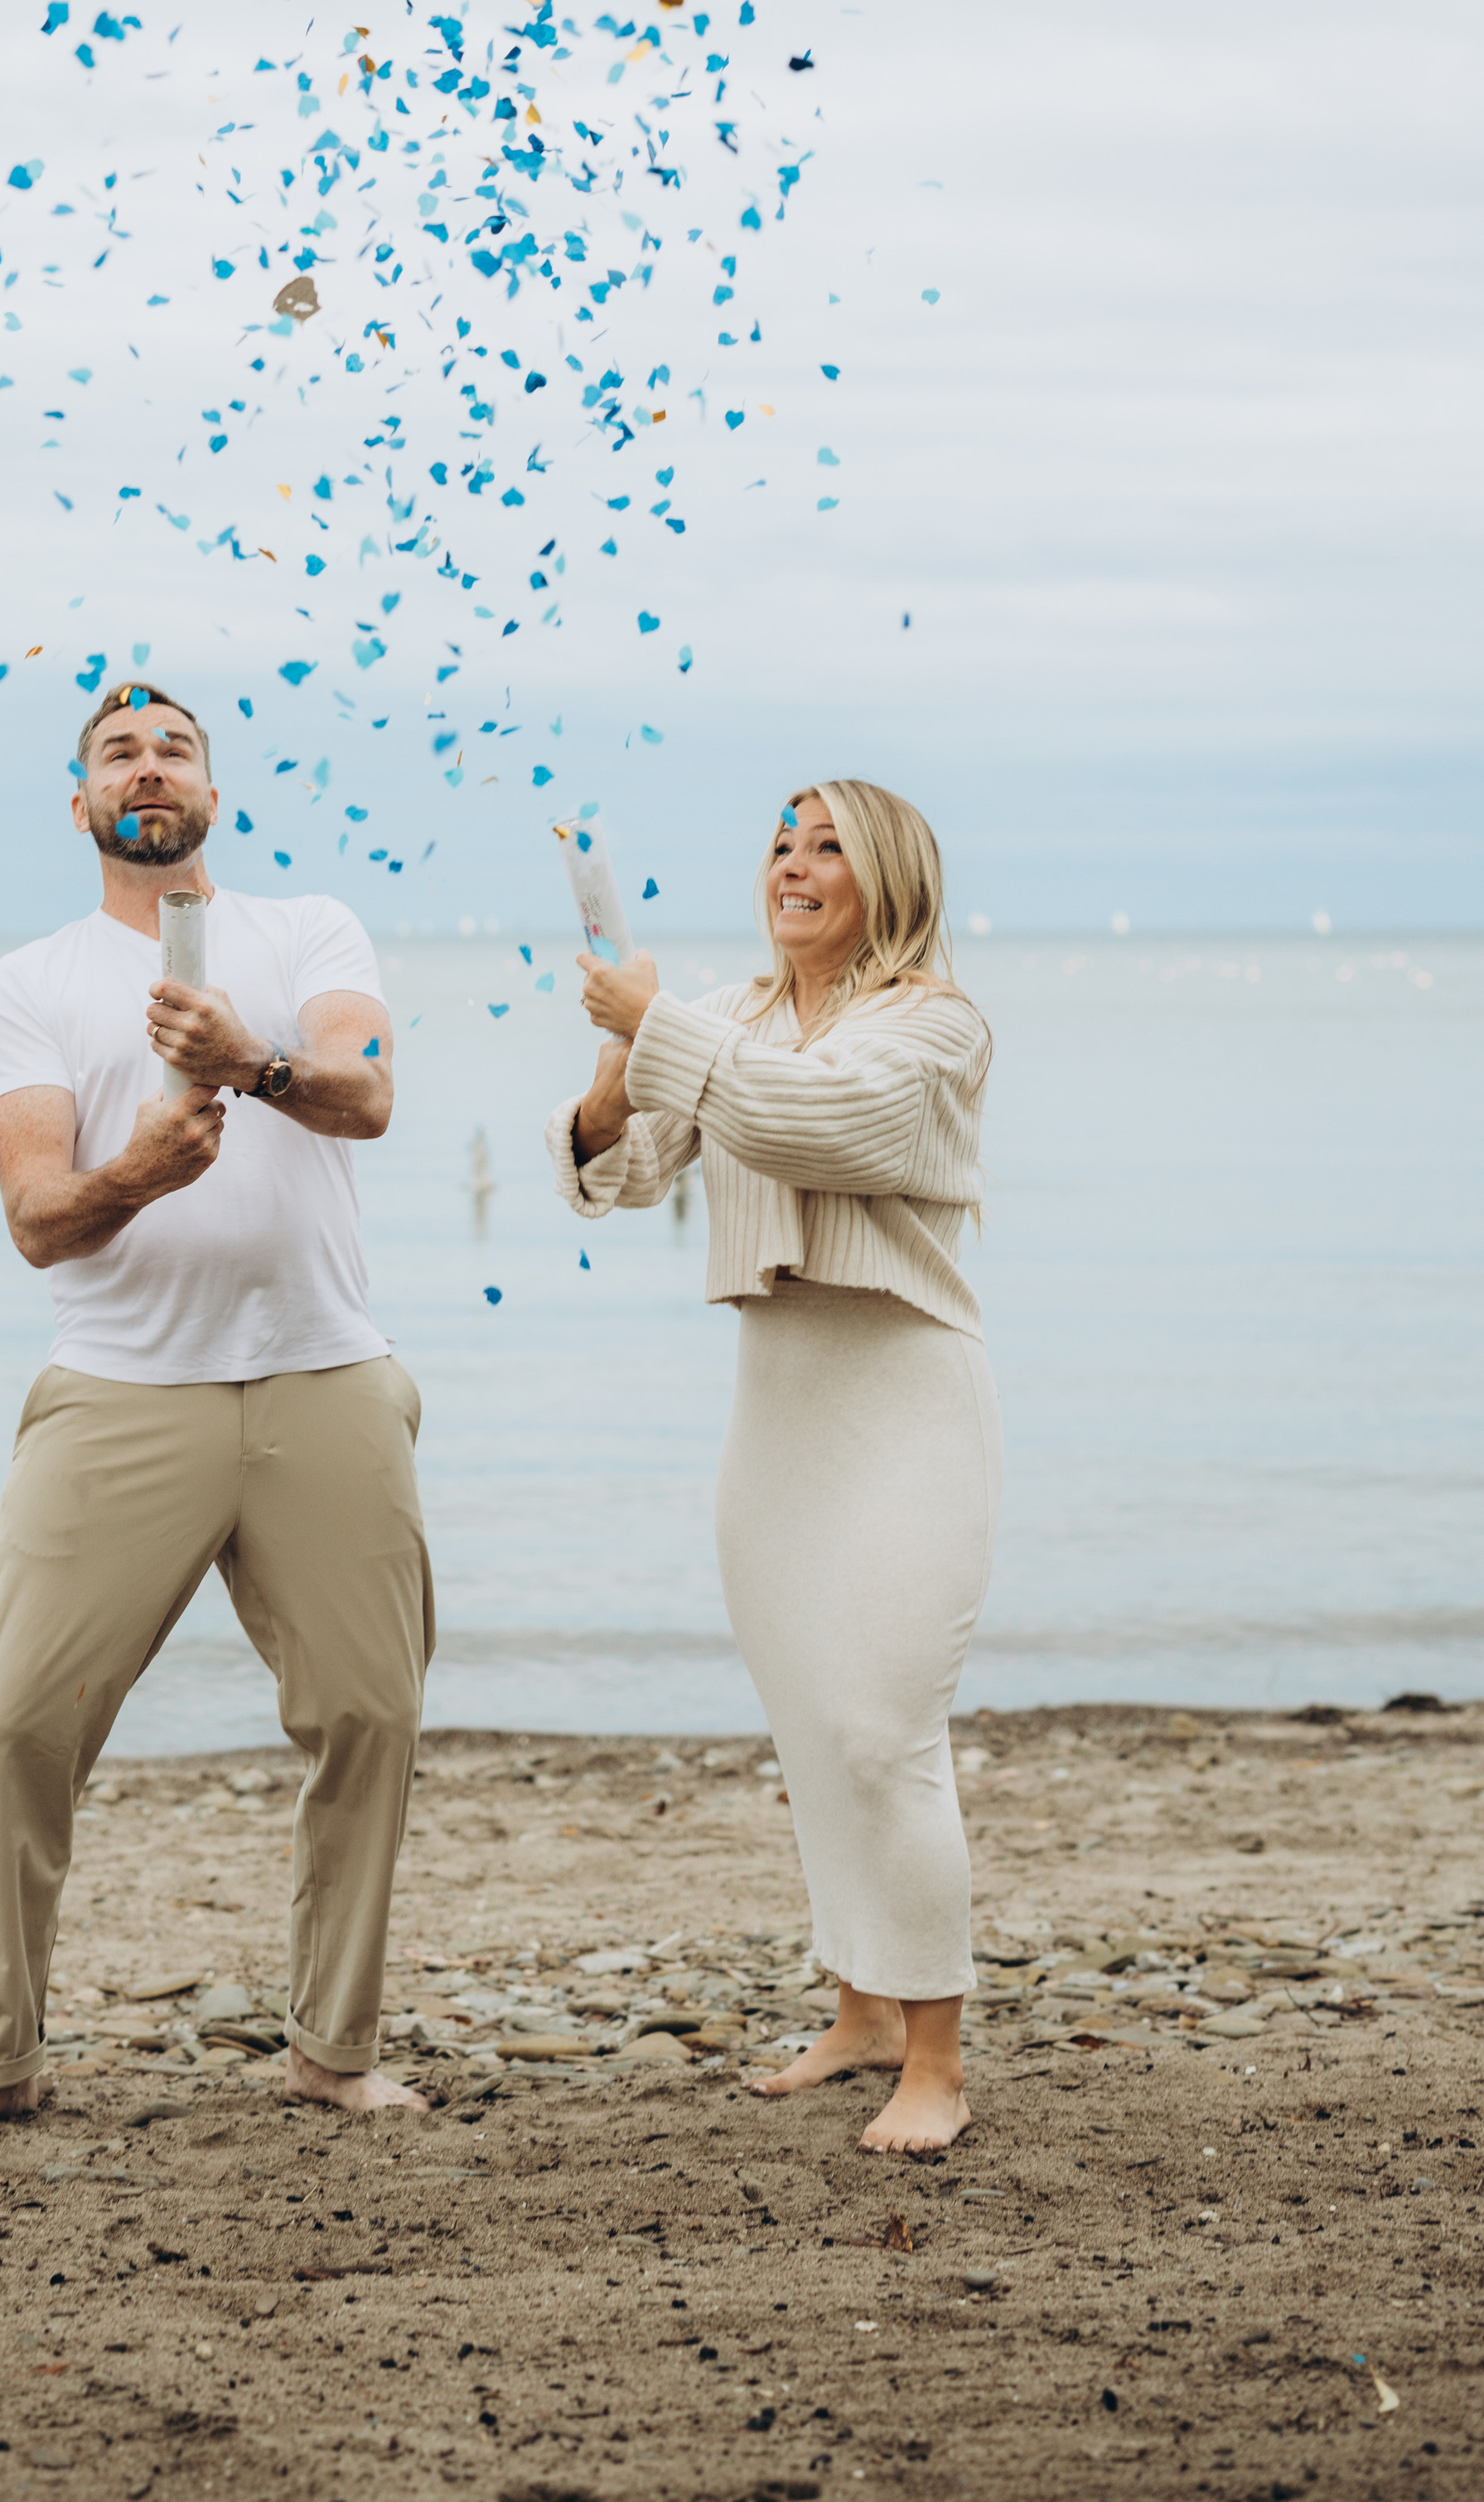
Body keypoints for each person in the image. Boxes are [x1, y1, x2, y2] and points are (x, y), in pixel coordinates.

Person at [0, 679, 433, 2141]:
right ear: (81, 806)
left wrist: (248, 1061)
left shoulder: (308, 931)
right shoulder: (31, 984)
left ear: (214, 792)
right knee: (14, 1726)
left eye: (175, 747)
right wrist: (140, 1169)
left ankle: (333, 2050)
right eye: (118, 752)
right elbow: (39, 1217)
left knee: (370, 1715)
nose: (150, 766)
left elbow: (368, 1095)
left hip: (324, 1373)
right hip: (122, 1394)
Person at [548, 782, 999, 2155]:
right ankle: (860, 2007)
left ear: (889, 878)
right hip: (778, 1406)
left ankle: (939, 2058)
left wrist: (655, 1025)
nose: (793, 867)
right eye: (781, 845)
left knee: (884, 1730)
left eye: (828, 849)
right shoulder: (732, 1020)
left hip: (905, 1397)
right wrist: (614, 1073)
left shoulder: (935, 1020)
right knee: (814, 1729)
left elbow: (820, 1123)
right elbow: (618, 1182)